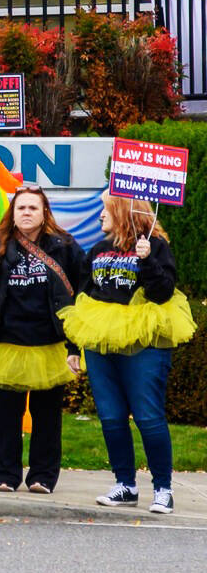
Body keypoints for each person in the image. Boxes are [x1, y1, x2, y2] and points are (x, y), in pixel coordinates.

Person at [58, 193, 195, 514]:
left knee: (148, 416)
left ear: (122, 210)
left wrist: (146, 260)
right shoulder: (98, 250)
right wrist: (73, 346)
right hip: (101, 340)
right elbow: (83, 296)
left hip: (143, 340)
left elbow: (162, 292)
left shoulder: (156, 246)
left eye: (105, 209)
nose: (100, 216)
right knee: (110, 416)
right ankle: (125, 485)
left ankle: (163, 488)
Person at [0, 186, 90, 494]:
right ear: (12, 213)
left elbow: (82, 291)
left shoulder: (65, 247)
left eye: (33, 208)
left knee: (46, 416)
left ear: (44, 212)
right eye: (21, 208)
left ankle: (42, 477)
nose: (26, 213)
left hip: (49, 344)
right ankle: (6, 476)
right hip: (8, 344)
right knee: (6, 415)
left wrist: (75, 344)